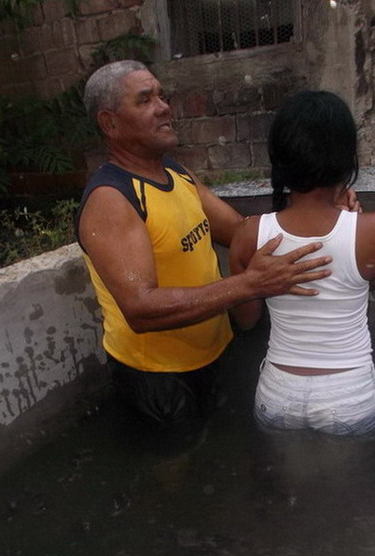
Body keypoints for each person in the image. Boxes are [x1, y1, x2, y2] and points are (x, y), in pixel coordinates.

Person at [76, 60, 356, 430]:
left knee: (218, 449)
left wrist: (321, 206)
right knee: (175, 469)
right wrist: (248, 284)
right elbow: (140, 308)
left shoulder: (175, 174)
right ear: (109, 122)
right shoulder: (112, 198)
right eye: (145, 100)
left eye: (162, 96)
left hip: (213, 351)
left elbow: (241, 231)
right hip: (158, 376)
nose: (163, 107)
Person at [229, 90, 375, 436]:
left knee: (287, 487)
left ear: (280, 158)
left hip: (277, 394)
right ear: (346, 158)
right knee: (350, 491)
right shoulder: (374, 229)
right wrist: (352, 223)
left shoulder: (248, 234)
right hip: (350, 396)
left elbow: (246, 322)